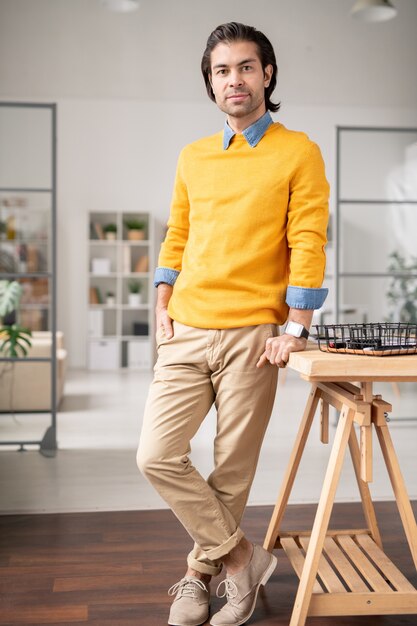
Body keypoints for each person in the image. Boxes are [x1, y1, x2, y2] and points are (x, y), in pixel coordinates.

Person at [137, 21, 329, 626]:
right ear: (211, 83)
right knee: (156, 454)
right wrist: (162, 297)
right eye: (222, 71)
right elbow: (178, 232)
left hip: (255, 334)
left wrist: (294, 327)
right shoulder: (193, 156)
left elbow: (307, 240)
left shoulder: (298, 150)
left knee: (231, 468)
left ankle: (200, 577)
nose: (234, 80)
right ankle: (240, 557)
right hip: (187, 327)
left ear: (267, 75)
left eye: (246, 67)